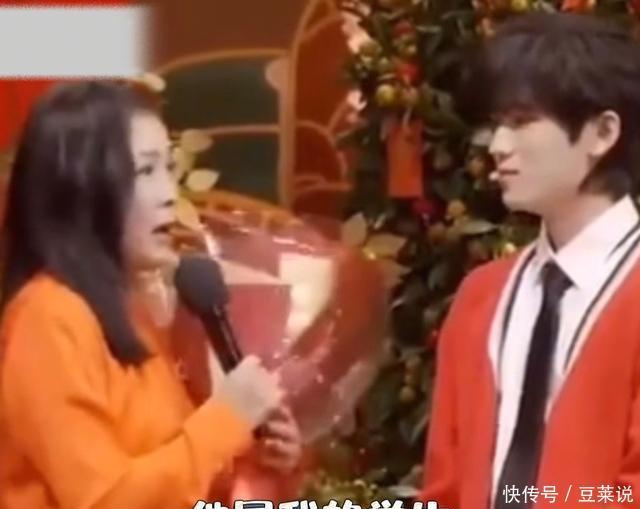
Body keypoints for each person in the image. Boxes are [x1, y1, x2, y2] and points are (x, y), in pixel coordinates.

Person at [0, 81, 302, 509]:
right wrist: (226, 419)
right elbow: (103, 500)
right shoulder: (47, 318)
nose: (170, 195)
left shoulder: (128, 311)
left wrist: (259, 459)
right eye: (145, 172)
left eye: (169, 170)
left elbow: (170, 475)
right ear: (82, 189)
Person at [420, 12, 640, 509]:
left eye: (522, 122)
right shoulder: (481, 295)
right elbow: (446, 487)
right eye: (497, 125)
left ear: (603, 133)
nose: (498, 147)